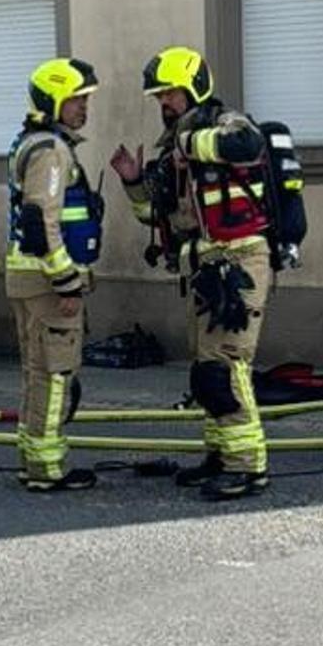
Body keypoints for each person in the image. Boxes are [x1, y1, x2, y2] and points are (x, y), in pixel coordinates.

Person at [111, 46, 272, 501]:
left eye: (171, 94)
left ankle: (248, 466)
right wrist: (133, 181)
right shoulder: (169, 150)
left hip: (238, 260)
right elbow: (155, 216)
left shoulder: (226, 123)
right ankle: (219, 456)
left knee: (227, 367)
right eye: (160, 96)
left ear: (194, 90)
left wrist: (187, 144)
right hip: (202, 266)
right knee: (205, 371)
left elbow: (248, 145)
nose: (164, 103)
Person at [5, 57, 103, 491]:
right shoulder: (51, 150)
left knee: (35, 370)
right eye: (76, 99)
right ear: (53, 101)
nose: (83, 107)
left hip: (26, 277)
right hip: (48, 283)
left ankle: (33, 458)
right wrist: (67, 281)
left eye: (84, 99)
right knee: (55, 373)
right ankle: (48, 467)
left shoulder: (33, 143)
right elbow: (42, 218)